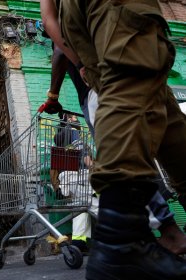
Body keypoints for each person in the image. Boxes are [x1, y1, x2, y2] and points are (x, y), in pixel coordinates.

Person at [56, 1, 186, 279]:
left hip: (72, 19)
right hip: (106, 9)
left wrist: (71, 71)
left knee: (168, 120)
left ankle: (126, 243)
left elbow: (47, 17)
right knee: (132, 75)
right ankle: (122, 245)